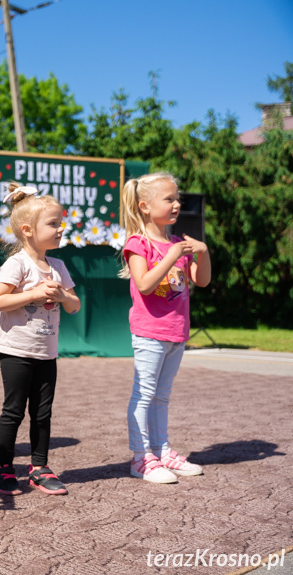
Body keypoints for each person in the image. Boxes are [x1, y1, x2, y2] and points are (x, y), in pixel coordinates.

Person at [0, 184, 81, 496]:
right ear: (27, 230)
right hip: (16, 351)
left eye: (60, 223)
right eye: (53, 224)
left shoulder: (59, 266)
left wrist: (62, 294)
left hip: (46, 352)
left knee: (43, 412)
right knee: (13, 410)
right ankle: (3, 466)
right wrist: (33, 293)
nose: (60, 229)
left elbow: (75, 304)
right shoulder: (16, 264)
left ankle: (39, 467)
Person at [120, 173, 211, 484]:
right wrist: (173, 255)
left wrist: (202, 251)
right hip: (149, 331)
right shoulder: (137, 244)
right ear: (145, 206)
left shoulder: (177, 243)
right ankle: (140, 457)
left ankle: (162, 451)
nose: (176, 204)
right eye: (169, 199)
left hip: (177, 331)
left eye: (177, 199)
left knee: (162, 395)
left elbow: (202, 280)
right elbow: (145, 285)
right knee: (144, 394)